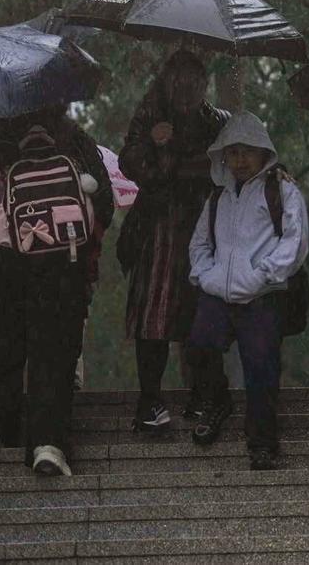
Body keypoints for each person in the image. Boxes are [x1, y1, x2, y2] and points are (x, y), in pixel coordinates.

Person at [0, 109, 113, 477]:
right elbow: (105, 201)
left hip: (9, 261)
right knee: (54, 352)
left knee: (7, 337)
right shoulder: (72, 137)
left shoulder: (1, 140)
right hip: (63, 261)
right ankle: (47, 444)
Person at [184, 111, 309, 470]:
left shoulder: (282, 190)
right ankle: (217, 402)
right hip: (217, 293)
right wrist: (206, 275)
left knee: (261, 367)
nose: (239, 159)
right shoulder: (217, 197)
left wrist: (263, 276)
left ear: (263, 152)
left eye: (247, 151)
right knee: (201, 346)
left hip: (263, 296)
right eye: (232, 152)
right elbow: (199, 243)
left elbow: (295, 241)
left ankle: (263, 443)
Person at [117, 50, 229, 432]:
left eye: (194, 84)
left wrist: (185, 164)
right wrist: (156, 145)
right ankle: (150, 399)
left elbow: (226, 165)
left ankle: (203, 393)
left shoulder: (214, 120)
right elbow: (129, 161)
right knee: (154, 311)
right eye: (179, 83)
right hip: (159, 225)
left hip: (202, 224)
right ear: (167, 83)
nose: (187, 92)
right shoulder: (150, 114)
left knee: (199, 308)